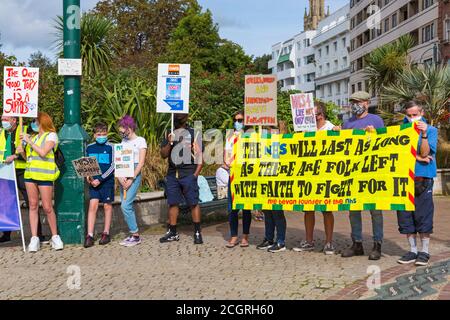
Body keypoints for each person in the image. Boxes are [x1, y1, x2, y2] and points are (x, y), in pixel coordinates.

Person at [338, 91, 385, 260]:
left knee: (375, 211)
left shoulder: (376, 120)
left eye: (358, 101)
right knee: (353, 210)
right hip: (353, 173)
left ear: (366, 102)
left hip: (372, 172)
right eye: (353, 101)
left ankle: (377, 244)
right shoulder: (347, 123)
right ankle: (357, 243)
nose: (355, 104)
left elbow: (386, 145)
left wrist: (374, 135)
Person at [396, 101, 438, 266]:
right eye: (409, 115)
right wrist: (418, 158)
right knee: (405, 215)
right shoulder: (401, 130)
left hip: (423, 177)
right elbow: (397, 152)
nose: (412, 118)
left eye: (415, 115)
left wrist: (424, 134)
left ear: (421, 113)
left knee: (424, 214)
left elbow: (426, 152)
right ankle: (412, 250)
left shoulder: (431, 130)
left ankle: (425, 251)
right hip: (404, 178)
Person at [293, 104, 337, 254]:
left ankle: (329, 242)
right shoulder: (307, 130)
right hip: (309, 175)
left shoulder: (331, 129)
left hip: (326, 175)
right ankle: (309, 240)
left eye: (311, 114)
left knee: (326, 209)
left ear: (320, 115)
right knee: (308, 208)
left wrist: (339, 133)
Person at [17, 112, 63, 252]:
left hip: (44, 176)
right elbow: (29, 158)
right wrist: (22, 152)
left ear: (42, 122)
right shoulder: (33, 137)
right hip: (30, 174)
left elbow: (43, 153)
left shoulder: (51, 136)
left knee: (48, 207)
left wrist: (29, 142)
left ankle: (55, 237)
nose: (33, 124)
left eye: (35, 121)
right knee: (32, 205)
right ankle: (34, 238)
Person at [0, 117, 47, 243]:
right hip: (6, 171)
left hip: (23, 170)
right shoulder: (1, 132)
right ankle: (6, 233)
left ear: (14, 120)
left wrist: (15, 156)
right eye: (2, 118)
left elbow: (31, 148)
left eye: (6, 118)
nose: (3, 121)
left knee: (31, 202)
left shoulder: (26, 130)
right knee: (6, 202)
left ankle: (38, 234)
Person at [160, 113, 204, 244]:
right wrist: (169, 142)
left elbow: (200, 157)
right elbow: (163, 154)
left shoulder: (194, 133)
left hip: (188, 174)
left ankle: (197, 232)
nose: (178, 118)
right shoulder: (169, 132)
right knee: (173, 203)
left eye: (181, 116)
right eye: (177, 116)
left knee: (193, 203)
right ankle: (172, 232)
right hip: (173, 174)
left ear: (186, 117)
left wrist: (194, 175)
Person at [116, 115, 147, 247]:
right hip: (123, 172)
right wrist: (119, 177)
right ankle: (133, 234)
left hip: (134, 173)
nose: (122, 133)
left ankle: (135, 235)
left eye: (123, 130)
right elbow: (119, 160)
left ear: (129, 128)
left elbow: (141, 162)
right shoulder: (123, 143)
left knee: (126, 205)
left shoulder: (140, 141)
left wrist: (131, 178)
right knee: (125, 204)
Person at [256, 123, 287, 253]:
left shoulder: (282, 138)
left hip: (278, 179)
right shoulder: (261, 137)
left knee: (277, 211)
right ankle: (269, 238)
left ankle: (280, 241)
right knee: (267, 211)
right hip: (264, 177)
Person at [84, 122, 115, 248]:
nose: (101, 136)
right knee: (93, 205)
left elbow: (113, 165)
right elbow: (86, 163)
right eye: (98, 134)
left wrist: (101, 179)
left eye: (103, 134)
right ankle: (90, 235)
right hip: (93, 183)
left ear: (107, 134)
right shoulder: (89, 147)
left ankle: (106, 233)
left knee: (107, 206)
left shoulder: (111, 147)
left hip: (106, 182)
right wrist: (88, 177)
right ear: (94, 135)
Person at [224, 110, 251, 248]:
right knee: (232, 208)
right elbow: (226, 157)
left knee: (246, 208)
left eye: (240, 120)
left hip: (246, 177)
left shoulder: (250, 136)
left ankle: (245, 236)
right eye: (236, 120)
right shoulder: (229, 138)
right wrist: (229, 162)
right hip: (233, 176)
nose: (237, 122)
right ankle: (234, 235)